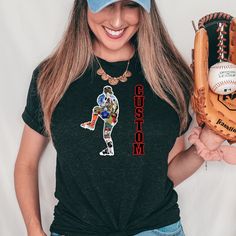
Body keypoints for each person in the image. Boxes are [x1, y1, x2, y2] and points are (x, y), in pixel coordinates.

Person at [14, 0, 225, 236]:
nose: (117, 20)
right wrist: (33, 229)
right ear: (82, 6)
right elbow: (26, 164)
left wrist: (207, 143)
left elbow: (166, 175)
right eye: (106, 4)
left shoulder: (171, 77)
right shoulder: (51, 77)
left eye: (130, 5)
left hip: (156, 230)